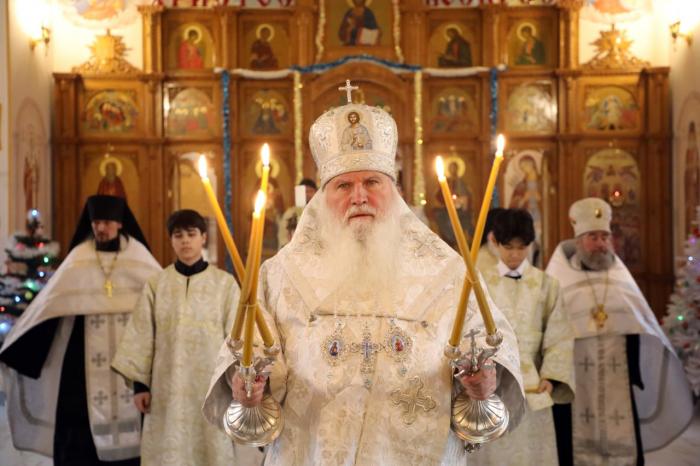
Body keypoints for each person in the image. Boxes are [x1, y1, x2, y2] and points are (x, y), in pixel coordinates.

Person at [202, 86, 525, 464]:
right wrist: (249, 389)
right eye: (343, 185)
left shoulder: (450, 271)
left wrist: (486, 381)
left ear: (395, 190)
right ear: (323, 198)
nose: (359, 197)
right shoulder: (279, 275)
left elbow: (491, 345)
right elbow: (249, 356)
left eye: (372, 182)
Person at [0, 195, 161, 465]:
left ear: (120, 223)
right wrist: (22, 351)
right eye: (96, 222)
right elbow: (50, 307)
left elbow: (162, 306)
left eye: (107, 222)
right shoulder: (79, 257)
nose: (101, 228)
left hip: (132, 358)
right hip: (85, 358)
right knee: (79, 432)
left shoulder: (139, 258)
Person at [545, 197, 693, 465]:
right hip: (575, 376)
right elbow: (550, 330)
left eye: (605, 237)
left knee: (622, 430)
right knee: (572, 441)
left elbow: (637, 324)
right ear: (579, 240)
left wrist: (634, 371)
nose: (601, 244)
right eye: (593, 237)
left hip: (618, 375)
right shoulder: (559, 279)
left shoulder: (620, 278)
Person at [111, 209, 238, 466]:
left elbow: (236, 339)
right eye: (178, 235)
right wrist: (140, 387)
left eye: (191, 234)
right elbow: (141, 336)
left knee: (212, 451)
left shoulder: (225, 285)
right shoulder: (157, 284)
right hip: (166, 389)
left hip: (211, 390)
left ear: (204, 237)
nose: (185, 241)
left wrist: (237, 382)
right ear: (171, 240)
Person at [471, 209, 574, 466]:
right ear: (494, 242)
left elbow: (559, 334)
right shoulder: (480, 285)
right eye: (508, 247)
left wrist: (551, 375)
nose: (515, 255)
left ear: (531, 244)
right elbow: (470, 331)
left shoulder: (547, 284)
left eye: (522, 247)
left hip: (533, 387)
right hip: (493, 385)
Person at [278, 178, 318, 249]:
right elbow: (283, 237)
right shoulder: (290, 214)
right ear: (299, 193)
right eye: (305, 191)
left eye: (310, 191)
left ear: (316, 193)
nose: (307, 194)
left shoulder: (320, 213)